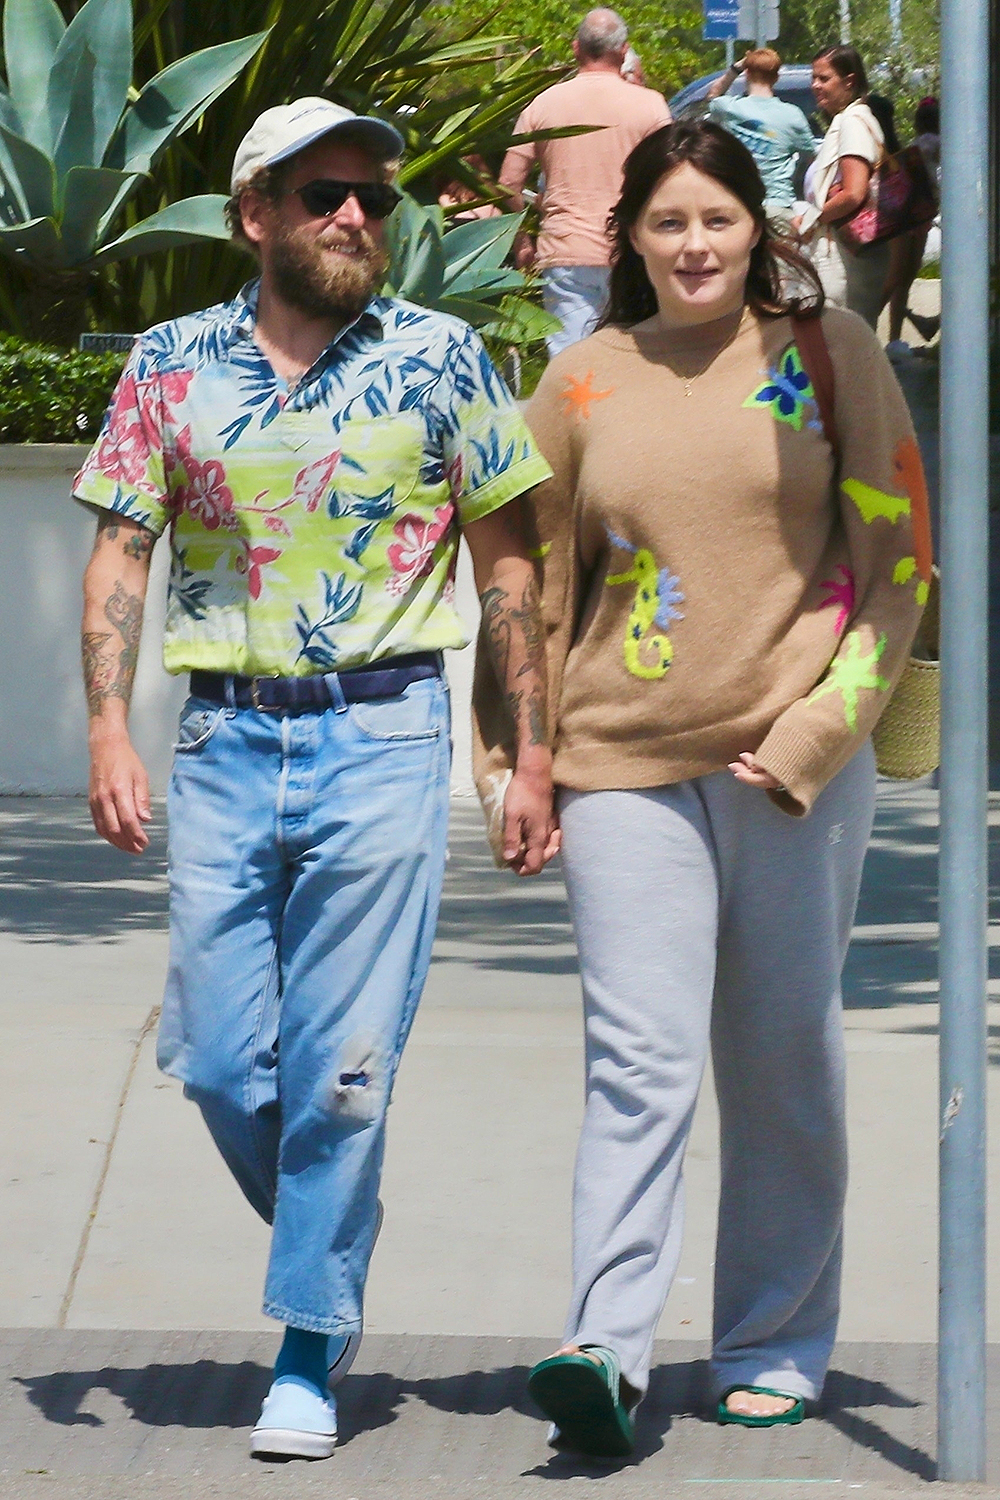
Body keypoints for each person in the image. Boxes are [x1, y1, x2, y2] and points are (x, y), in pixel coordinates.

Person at [75, 97, 558, 1463]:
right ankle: (332, 1226)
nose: (358, 215)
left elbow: (512, 561)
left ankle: (306, 1345)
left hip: (384, 736)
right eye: (325, 193)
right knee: (225, 1066)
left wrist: (529, 752)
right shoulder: (171, 365)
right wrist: (109, 731)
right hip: (225, 742)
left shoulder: (445, 357)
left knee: (343, 1080)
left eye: (375, 197)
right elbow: (120, 557)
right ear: (256, 215)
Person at [475, 118, 930, 1456]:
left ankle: (772, 1341)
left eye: (716, 221)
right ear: (630, 239)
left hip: (795, 765)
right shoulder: (585, 379)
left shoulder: (826, 357)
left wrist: (810, 738)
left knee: (782, 1050)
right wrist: (523, 753)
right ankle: (604, 1354)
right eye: (667, 223)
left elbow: (896, 563)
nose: (694, 245)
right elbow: (527, 577)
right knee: (638, 1061)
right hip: (624, 761)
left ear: (757, 229)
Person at [499, 8, 671, 356]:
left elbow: (507, 184)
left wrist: (521, 242)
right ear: (623, 52)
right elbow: (672, 181)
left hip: (565, 251)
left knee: (573, 367)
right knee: (635, 362)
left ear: (576, 48)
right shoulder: (651, 106)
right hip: (632, 251)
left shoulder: (542, 104)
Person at [794, 45, 887, 330]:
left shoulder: (852, 123)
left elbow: (854, 192)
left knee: (838, 338)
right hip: (849, 253)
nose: (815, 85)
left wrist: (811, 219)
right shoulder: (850, 120)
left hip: (845, 258)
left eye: (824, 78)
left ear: (849, 81)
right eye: (814, 78)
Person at [706, 47, 815, 232]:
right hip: (777, 205)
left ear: (747, 73)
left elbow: (713, 95)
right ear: (776, 77)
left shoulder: (730, 108)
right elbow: (811, 157)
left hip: (739, 203)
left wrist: (735, 69)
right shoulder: (793, 115)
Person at [890, 97, 941, 352]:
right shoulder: (936, 143)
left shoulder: (913, 146)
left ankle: (894, 337)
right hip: (921, 219)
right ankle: (900, 331)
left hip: (908, 217)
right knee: (906, 279)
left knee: (900, 282)